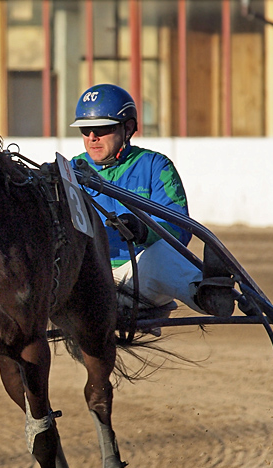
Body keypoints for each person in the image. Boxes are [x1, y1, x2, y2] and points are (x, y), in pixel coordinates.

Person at [70, 83, 234, 317]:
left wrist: (145, 231)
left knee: (161, 255)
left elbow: (179, 228)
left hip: (139, 276)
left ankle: (207, 295)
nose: (92, 137)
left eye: (102, 129)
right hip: (86, 279)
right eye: (85, 130)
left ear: (127, 128)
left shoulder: (156, 166)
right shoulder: (69, 171)